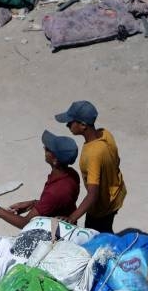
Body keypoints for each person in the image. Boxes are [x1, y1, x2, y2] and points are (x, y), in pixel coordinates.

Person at [0, 131, 80, 229]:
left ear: (55, 160)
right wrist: (33, 204)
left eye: (47, 149)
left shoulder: (55, 192)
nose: (44, 148)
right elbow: (57, 205)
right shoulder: (71, 175)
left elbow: (26, 224)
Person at [54, 100, 126, 233]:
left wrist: (71, 218)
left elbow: (93, 195)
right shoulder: (105, 134)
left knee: (95, 238)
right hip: (116, 196)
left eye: (70, 122)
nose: (67, 125)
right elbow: (117, 160)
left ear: (83, 125)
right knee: (106, 228)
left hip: (101, 208)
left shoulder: (93, 154)